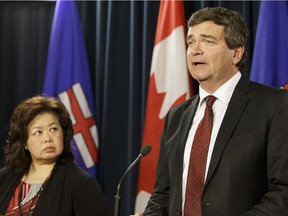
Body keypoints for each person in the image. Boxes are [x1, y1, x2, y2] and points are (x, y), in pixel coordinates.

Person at [135, 6, 288, 216]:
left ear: (236, 53)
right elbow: (164, 193)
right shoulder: (177, 116)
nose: (195, 50)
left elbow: (283, 192)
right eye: (190, 42)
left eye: (207, 41)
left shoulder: (275, 104)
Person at [0, 95, 109, 216]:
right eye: (38, 132)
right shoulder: (4, 178)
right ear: (24, 142)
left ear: (63, 133)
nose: (48, 138)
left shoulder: (81, 184)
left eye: (53, 129)